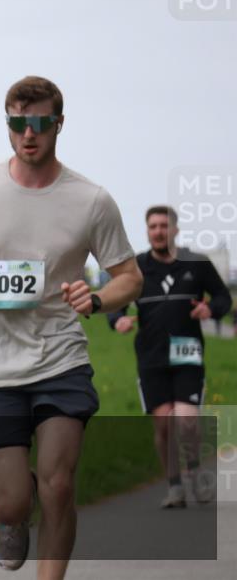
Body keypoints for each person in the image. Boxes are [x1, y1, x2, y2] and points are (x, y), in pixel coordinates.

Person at [0, 76, 142, 579]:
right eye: (18, 123)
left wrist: (95, 298)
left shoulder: (91, 200)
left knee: (59, 486)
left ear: (58, 125)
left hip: (60, 360)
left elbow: (130, 278)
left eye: (41, 124)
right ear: (8, 125)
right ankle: (12, 514)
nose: (29, 134)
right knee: (10, 504)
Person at [107, 205, 233, 508]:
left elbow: (223, 297)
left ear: (175, 230)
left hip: (188, 355)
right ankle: (174, 486)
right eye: (153, 227)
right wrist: (118, 320)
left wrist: (210, 309)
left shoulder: (197, 263)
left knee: (187, 422)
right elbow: (116, 304)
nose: (158, 231)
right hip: (151, 359)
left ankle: (194, 469)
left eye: (164, 226)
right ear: (147, 231)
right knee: (163, 426)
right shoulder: (135, 268)